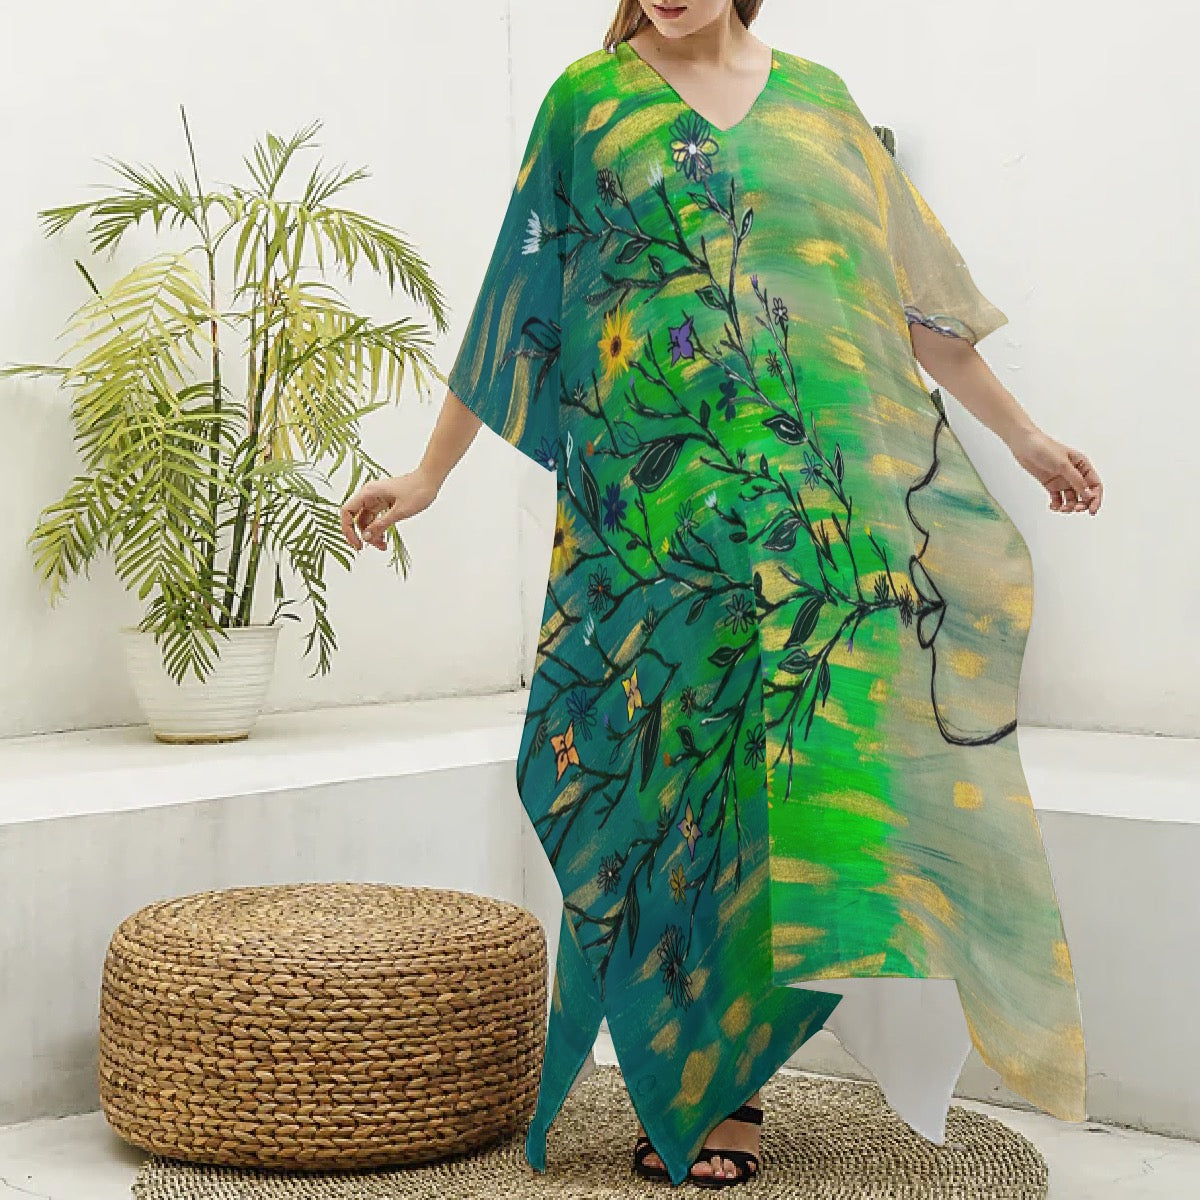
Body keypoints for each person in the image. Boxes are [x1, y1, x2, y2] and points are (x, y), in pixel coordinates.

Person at [341, 0, 1103, 1188]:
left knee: (785, 805)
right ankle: (689, 1080)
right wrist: (428, 473)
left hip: (816, 544)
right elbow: (518, 308)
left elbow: (912, 313)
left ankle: (729, 1088)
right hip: (655, 545)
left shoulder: (822, 106)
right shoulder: (589, 104)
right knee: (670, 798)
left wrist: (1029, 438)